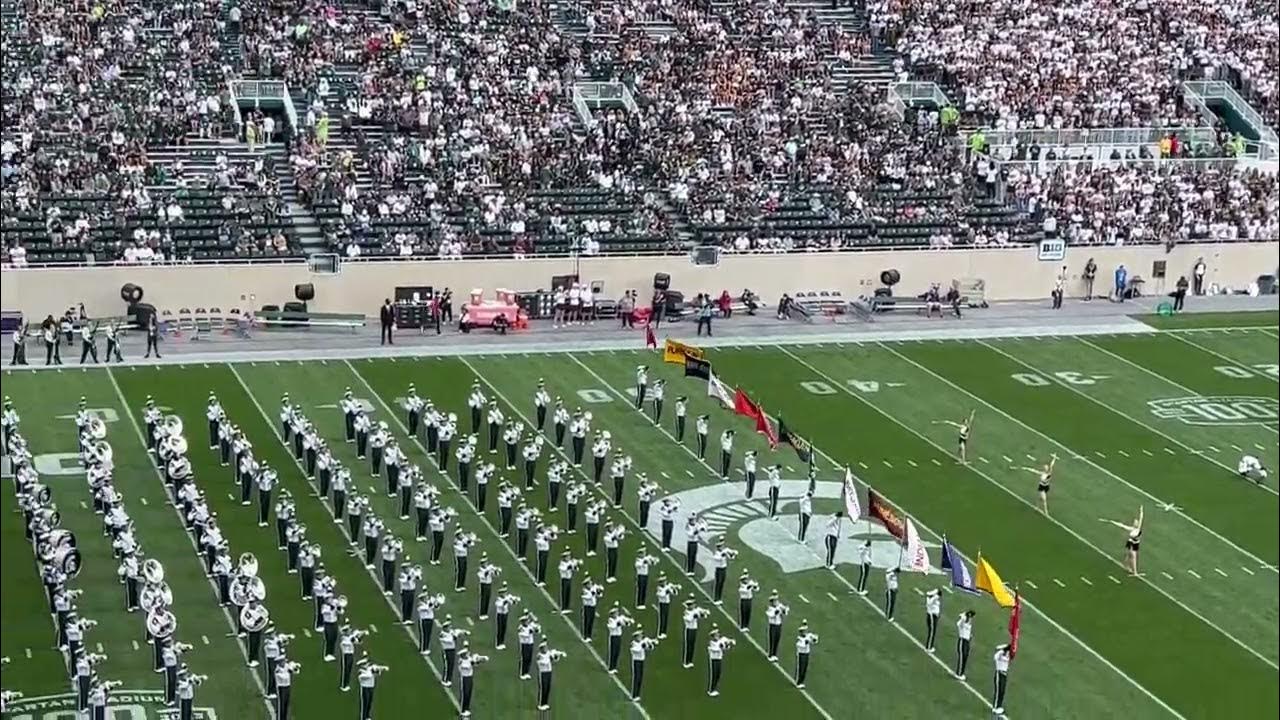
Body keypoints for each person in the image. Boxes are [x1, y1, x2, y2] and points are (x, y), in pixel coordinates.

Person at [1101, 506, 1143, 575]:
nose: (1136, 523)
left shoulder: (1138, 529)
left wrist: (1141, 511)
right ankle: (1135, 572)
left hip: (1136, 544)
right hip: (1131, 543)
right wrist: (1114, 522)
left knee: (1129, 555)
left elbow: (1141, 518)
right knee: (1133, 556)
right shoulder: (1131, 529)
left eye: (1136, 522)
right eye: (1135, 522)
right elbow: (1122, 526)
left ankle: (1126, 565)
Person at [794, 622, 818, 688]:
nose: (805, 632)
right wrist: (807, 641)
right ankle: (798, 681)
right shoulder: (799, 638)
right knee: (800, 668)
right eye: (803, 631)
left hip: (807, 654)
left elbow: (815, 641)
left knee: (804, 668)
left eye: (805, 631)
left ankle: (802, 682)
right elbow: (801, 645)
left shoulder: (809, 636)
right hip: (801, 654)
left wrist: (813, 639)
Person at [992, 643, 1013, 715]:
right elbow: (995, 657)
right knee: (998, 690)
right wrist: (1002, 651)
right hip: (999, 674)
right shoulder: (999, 655)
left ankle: (999, 706)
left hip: (1004, 675)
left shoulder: (1007, 656)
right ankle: (995, 707)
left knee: (1002, 691)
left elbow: (1012, 654)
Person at [955, 610, 975, 679]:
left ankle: (962, 672)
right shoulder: (962, 623)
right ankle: (959, 673)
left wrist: (970, 636)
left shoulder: (969, 625)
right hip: (962, 641)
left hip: (967, 642)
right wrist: (962, 617)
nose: (970, 619)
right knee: (961, 657)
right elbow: (958, 624)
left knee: (965, 656)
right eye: (969, 617)